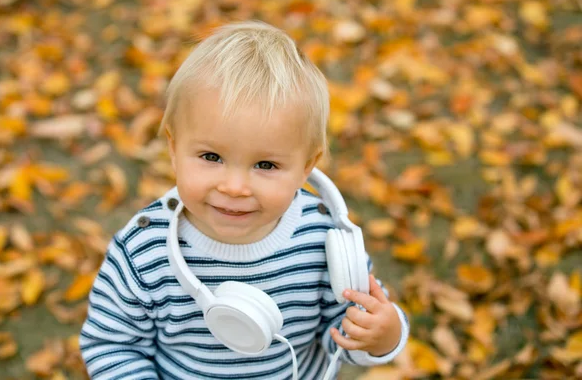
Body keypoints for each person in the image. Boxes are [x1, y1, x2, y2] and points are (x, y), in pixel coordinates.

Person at [79, 21, 409, 380]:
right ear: (174, 149)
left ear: (306, 168)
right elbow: (112, 344)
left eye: (265, 164)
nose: (235, 187)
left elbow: (346, 333)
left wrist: (381, 335)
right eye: (210, 157)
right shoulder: (145, 251)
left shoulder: (324, 241)